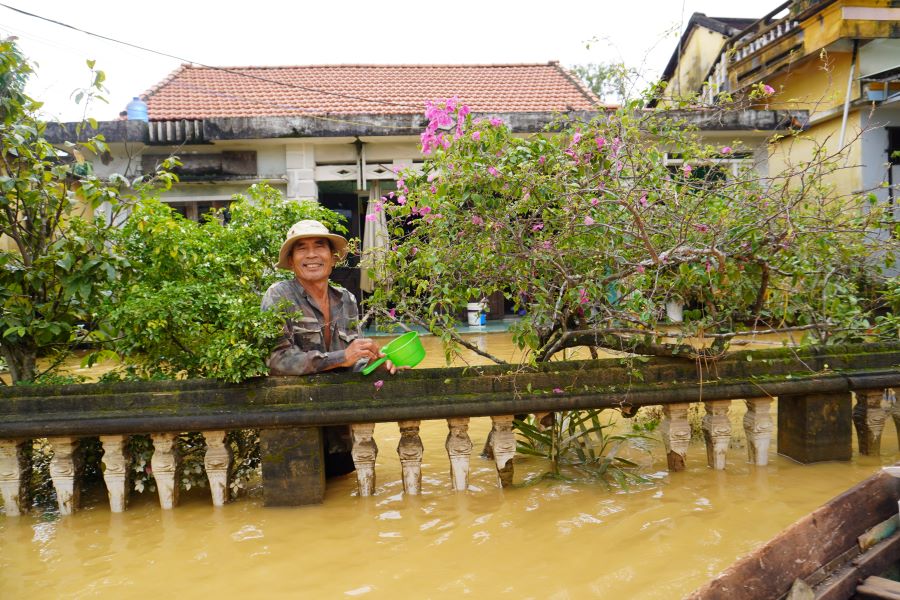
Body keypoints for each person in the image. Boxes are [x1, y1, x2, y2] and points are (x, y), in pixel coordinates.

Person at [261, 219, 396, 476]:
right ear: (290, 260)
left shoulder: (346, 299)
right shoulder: (278, 296)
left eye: (319, 246)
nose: (311, 255)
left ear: (333, 258)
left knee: (344, 498)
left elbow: (352, 361)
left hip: (340, 428)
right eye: (301, 248)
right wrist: (340, 357)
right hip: (296, 427)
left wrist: (376, 362)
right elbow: (277, 359)